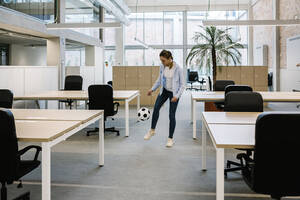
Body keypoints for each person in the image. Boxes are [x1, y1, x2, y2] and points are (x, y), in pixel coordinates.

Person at [144, 50, 185, 147]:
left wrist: (177, 96)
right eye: (161, 60)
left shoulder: (178, 69)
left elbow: (183, 85)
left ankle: (170, 139)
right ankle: (152, 130)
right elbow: (159, 79)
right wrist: (152, 89)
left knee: (171, 115)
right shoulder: (162, 66)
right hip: (165, 91)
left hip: (174, 93)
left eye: (163, 60)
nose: (162, 62)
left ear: (170, 59)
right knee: (156, 107)